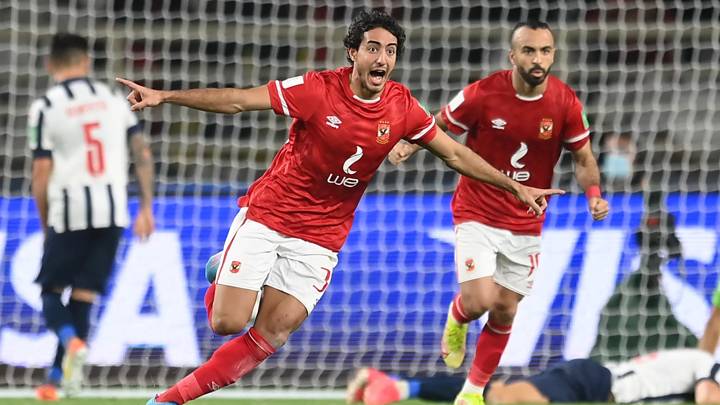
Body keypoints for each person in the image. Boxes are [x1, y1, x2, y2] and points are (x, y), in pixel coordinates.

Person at [116, 9, 563, 405]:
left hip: (322, 236)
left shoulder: (401, 106)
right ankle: (224, 266)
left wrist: (513, 187)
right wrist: (165, 96)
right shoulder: (316, 90)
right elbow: (239, 99)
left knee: (274, 332)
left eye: (390, 51)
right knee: (227, 322)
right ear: (352, 51)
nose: (382, 59)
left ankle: (169, 400)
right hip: (271, 215)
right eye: (373, 48)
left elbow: (454, 153)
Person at [388, 21, 609, 405]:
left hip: (527, 221)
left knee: (505, 308)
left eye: (545, 51)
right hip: (477, 211)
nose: (537, 59)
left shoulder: (565, 102)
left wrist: (593, 194)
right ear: (513, 56)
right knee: (478, 302)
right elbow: (439, 124)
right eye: (529, 51)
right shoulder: (484, 93)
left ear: (553, 55)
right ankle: (457, 317)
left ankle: (472, 392)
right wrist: (409, 147)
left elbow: (584, 157)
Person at [27, 33, 155, 400]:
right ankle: (57, 380)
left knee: (50, 290)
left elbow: (40, 172)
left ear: (51, 65)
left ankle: (70, 342)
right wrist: (146, 208)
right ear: (85, 62)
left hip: (70, 211)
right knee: (83, 296)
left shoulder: (46, 105)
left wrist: (46, 220)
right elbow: (141, 153)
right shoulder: (112, 100)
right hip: (113, 210)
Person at [346, 300, 720, 405]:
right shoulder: (710, 366)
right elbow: (708, 397)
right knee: (506, 399)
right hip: (596, 385)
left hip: (593, 385)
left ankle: (398, 387)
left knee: (497, 396)